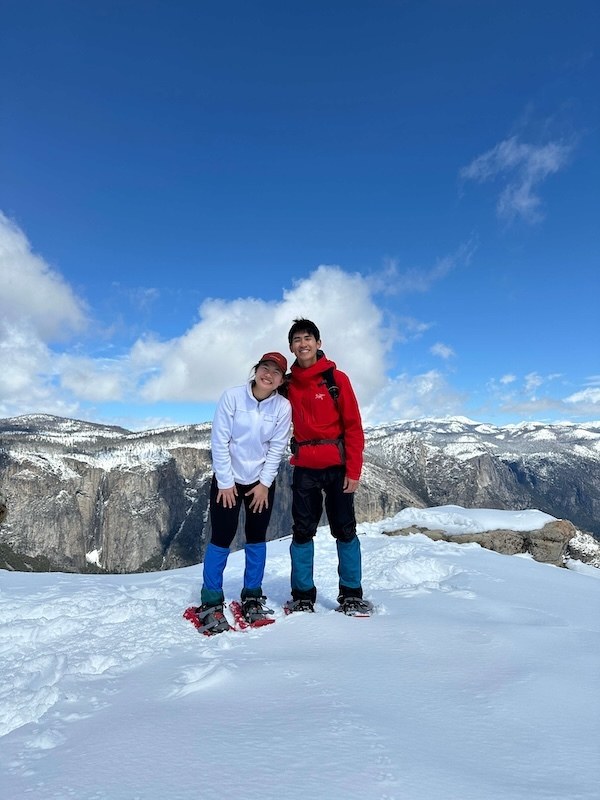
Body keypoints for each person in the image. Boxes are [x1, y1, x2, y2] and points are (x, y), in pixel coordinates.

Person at [196, 352, 292, 635]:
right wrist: (226, 482)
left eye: (276, 372)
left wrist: (264, 484)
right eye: (265, 368)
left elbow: (277, 448)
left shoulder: (283, 407)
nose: (269, 375)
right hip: (228, 480)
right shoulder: (233, 397)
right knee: (221, 538)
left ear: (281, 381)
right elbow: (220, 440)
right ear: (256, 370)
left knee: (256, 538)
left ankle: (252, 595)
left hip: (260, 483)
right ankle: (211, 601)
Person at [284, 319, 372, 615]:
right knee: (302, 532)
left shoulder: (337, 380)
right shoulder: (287, 385)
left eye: (308, 338)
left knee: (345, 530)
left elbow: (354, 427)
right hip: (305, 468)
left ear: (318, 343)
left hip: (337, 467)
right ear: (291, 347)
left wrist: (353, 471)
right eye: (297, 339)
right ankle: (302, 595)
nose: (303, 343)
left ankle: (351, 594)